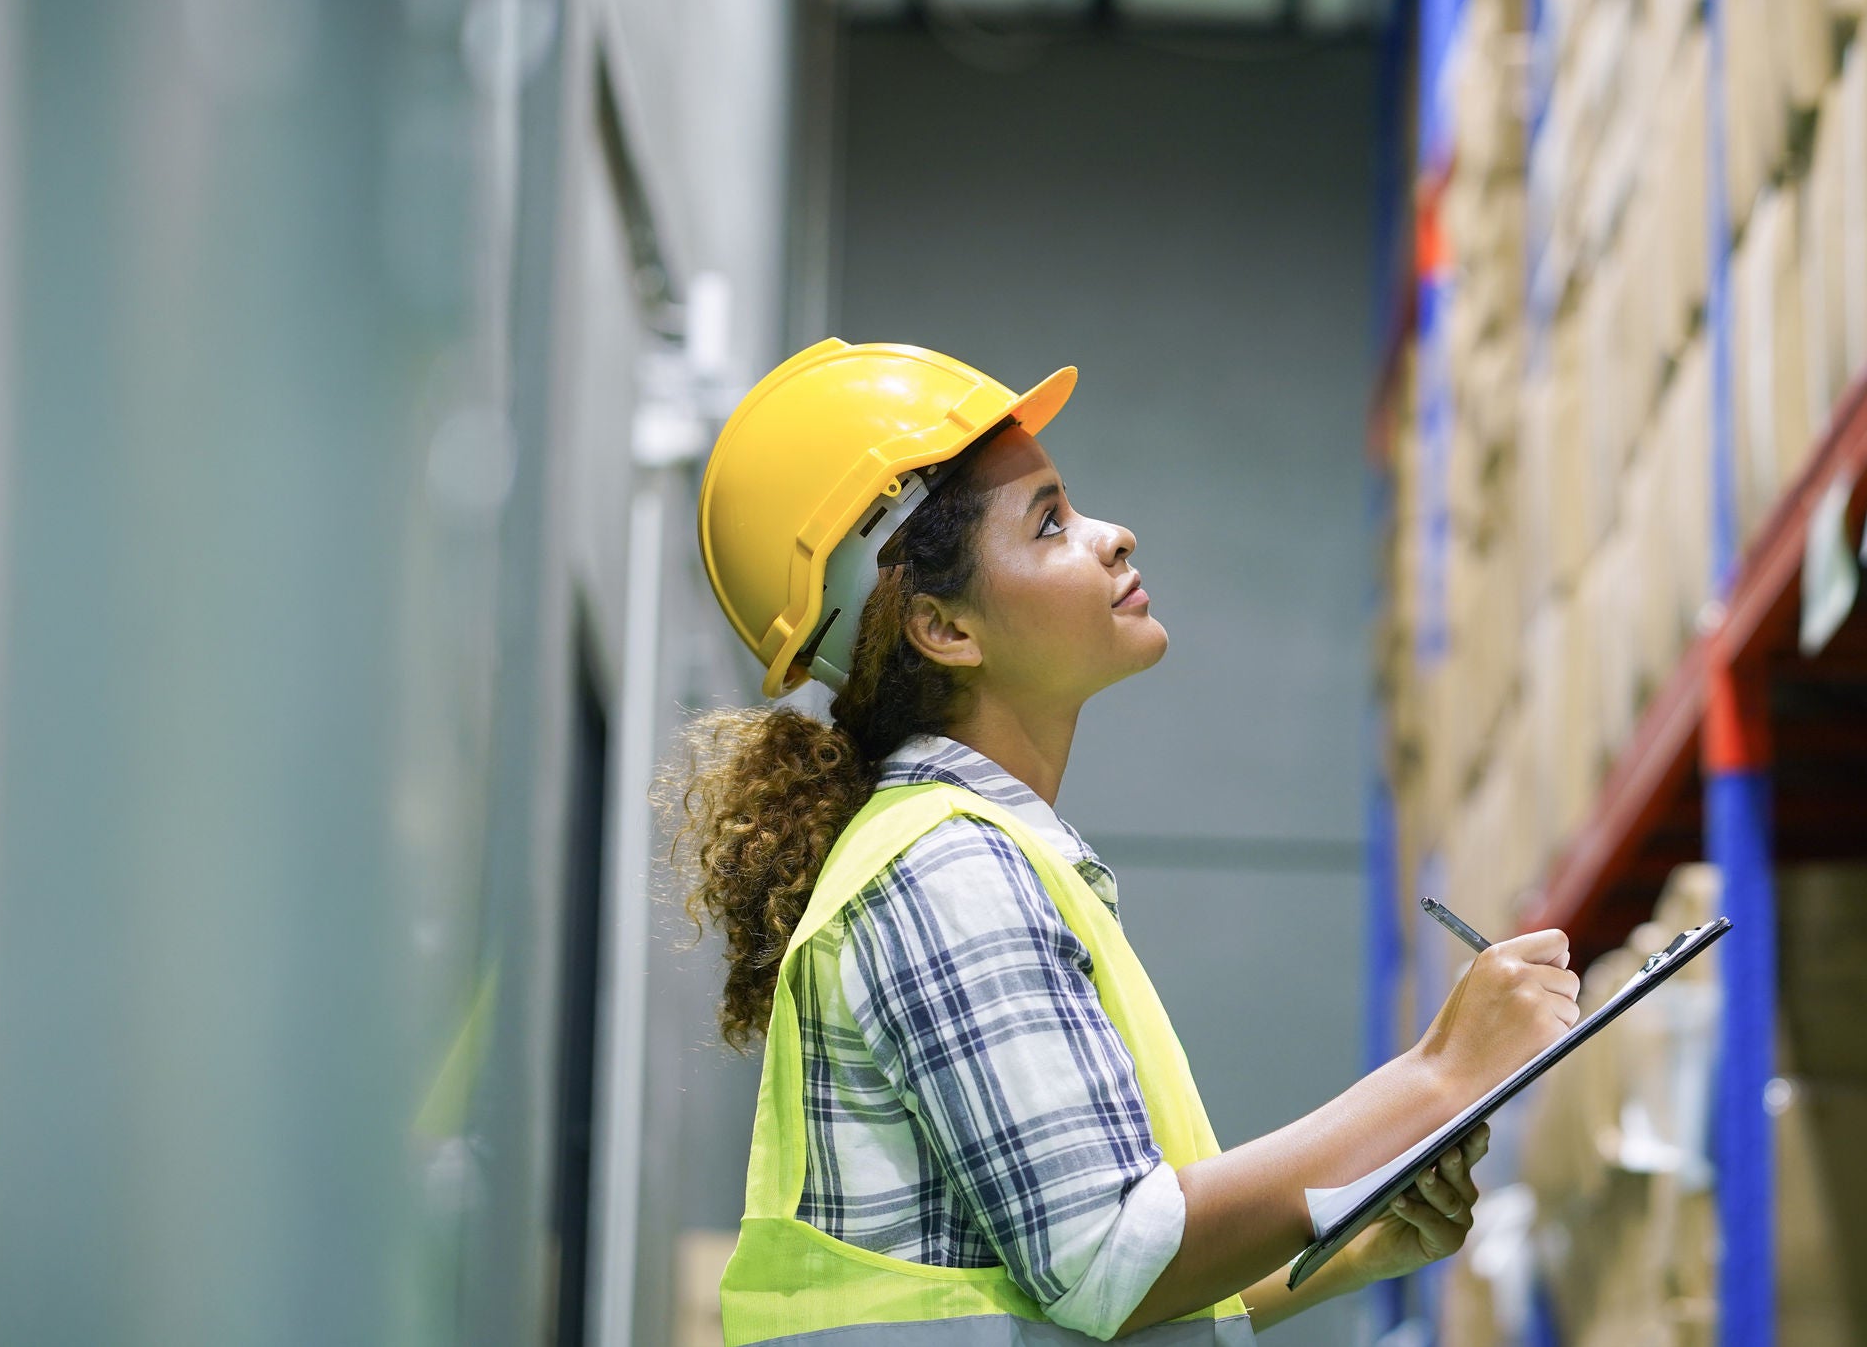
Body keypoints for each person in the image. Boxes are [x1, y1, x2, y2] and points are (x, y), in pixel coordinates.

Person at [660, 340, 1581, 1344]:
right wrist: (1437, 1075)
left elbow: (1068, 1294)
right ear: (941, 627)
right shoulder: (947, 871)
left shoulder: (982, 856)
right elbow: (1109, 1262)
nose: (1112, 535)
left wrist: (1347, 1248)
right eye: (1049, 522)